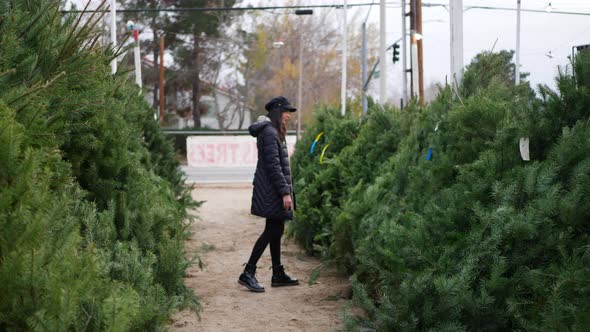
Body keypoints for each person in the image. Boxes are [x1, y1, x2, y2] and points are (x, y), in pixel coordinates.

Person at [238, 96, 300, 293]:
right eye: (286, 112)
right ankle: (248, 272)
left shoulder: (273, 132)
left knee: (276, 229)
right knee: (272, 231)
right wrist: (285, 192)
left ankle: (277, 273)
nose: (288, 116)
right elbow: (274, 166)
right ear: (276, 111)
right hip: (272, 190)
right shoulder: (270, 133)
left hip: (272, 189)